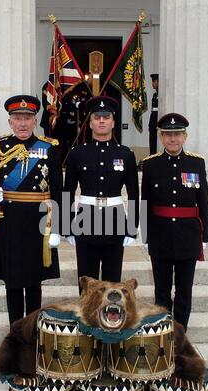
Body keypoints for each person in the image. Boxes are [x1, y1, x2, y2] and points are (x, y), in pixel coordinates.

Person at [0, 95, 62, 325]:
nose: (23, 123)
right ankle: (15, 329)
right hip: (9, 221)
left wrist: (59, 226)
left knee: (34, 280)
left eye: (27, 118)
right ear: (10, 122)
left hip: (39, 222)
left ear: (35, 120)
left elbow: (58, 189)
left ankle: (33, 328)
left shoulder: (49, 147)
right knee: (12, 280)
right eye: (17, 118)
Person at [141, 112, 208, 331]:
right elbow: (145, 203)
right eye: (168, 134)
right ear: (161, 138)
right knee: (161, 291)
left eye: (177, 134)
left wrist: (204, 237)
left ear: (185, 136)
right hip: (160, 236)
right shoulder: (151, 165)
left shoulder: (196, 163)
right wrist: (145, 237)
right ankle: (162, 333)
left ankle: (179, 334)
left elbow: (203, 203)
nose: (173, 139)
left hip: (188, 237)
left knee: (183, 291)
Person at [64, 96, 139, 291]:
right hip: (85, 219)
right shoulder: (77, 154)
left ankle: (109, 321)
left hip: (115, 220)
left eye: (106, 117)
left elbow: (134, 194)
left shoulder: (125, 154)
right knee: (86, 282)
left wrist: (134, 227)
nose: (102, 121)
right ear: (90, 123)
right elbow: (68, 191)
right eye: (97, 117)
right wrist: (65, 225)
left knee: (112, 283)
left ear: (113, 121)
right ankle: (87, 320)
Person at [148, 74, 159, 155]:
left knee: (155, 142)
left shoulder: (160, 95)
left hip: (157, 123)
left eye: (153, 81)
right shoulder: (155, 95)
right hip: (153, 122)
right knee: (152, 142)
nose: (152, 83)